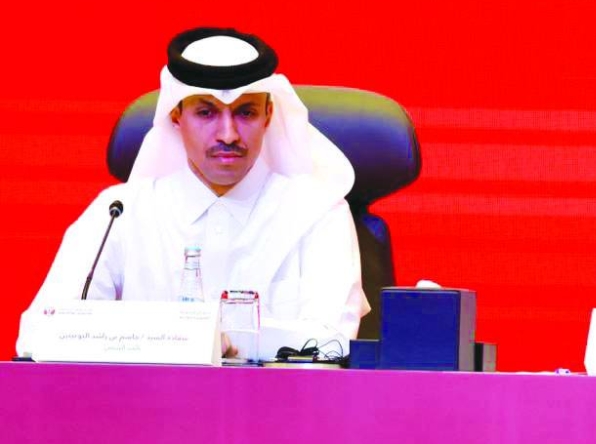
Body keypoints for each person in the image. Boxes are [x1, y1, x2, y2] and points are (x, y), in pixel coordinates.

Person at [18, 27, 369, 357]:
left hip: (281, 412)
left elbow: (332, 342)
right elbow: (38, 335)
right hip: (141, 410)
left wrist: (224, 341)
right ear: (176, 116)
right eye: (206, 112)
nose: (228, 135)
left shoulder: (317, 213)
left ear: (268, 114)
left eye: (245, 112)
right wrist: (189, 339)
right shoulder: (119, 212)